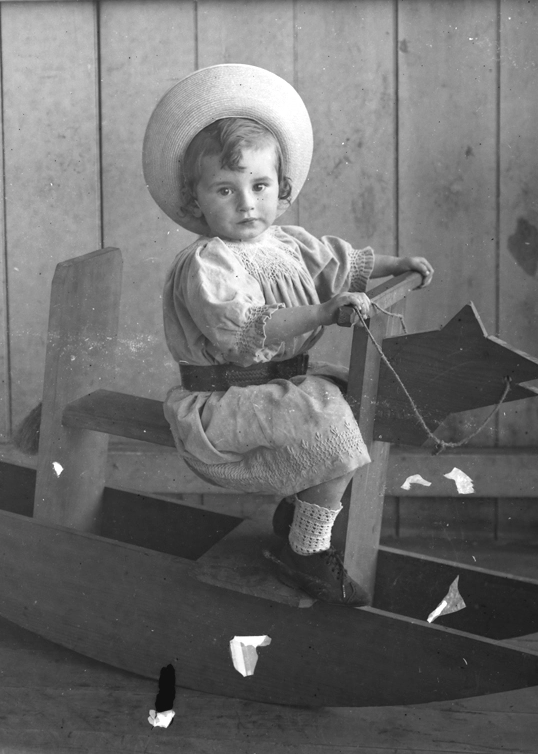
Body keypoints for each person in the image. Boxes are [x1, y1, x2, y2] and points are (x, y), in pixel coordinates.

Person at [141, 64, 433, 606]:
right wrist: (323, 313)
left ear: (283, 189)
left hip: (277, 384)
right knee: (327, 421)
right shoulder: (208, 264)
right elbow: (247, 328)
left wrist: (399, 264)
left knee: (358, 398)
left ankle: (302, 504)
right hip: (223, 400)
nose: (246, 204)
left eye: (259, 186)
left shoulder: (286, 243)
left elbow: (339, 263)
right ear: (196, 201)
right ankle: (304, 551)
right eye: (225, 191)